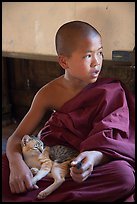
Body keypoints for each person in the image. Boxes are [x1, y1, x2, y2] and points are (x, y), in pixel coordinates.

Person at [2, 20, 135, 202]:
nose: (97, 62)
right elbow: (16, 138)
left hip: (88, 165)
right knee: (5, 167)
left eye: (100, 53)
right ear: (64, 61)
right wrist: (17, 166)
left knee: (124, 176)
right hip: (54, 160)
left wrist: (92, 158)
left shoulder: (111, 91)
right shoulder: (48, 94)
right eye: (88, 56)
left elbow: (113, 140)